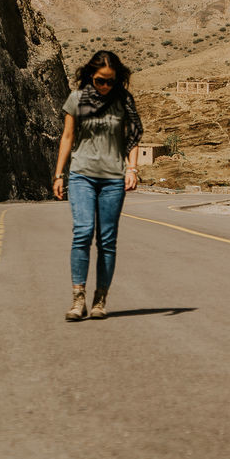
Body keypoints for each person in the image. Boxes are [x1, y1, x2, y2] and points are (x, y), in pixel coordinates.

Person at [53, 49, 143, 321]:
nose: (105, 86)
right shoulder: (76, 100)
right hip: (81, 175)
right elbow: (67, 137)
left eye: (110, 81)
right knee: (82, 231)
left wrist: (132, 169)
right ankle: (77, 299)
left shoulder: (123, 102)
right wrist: (59, 174)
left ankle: (100, 299)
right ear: (91, 75)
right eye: (100, 80)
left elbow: (133, 137)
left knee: (106, 240)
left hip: (113, 178)